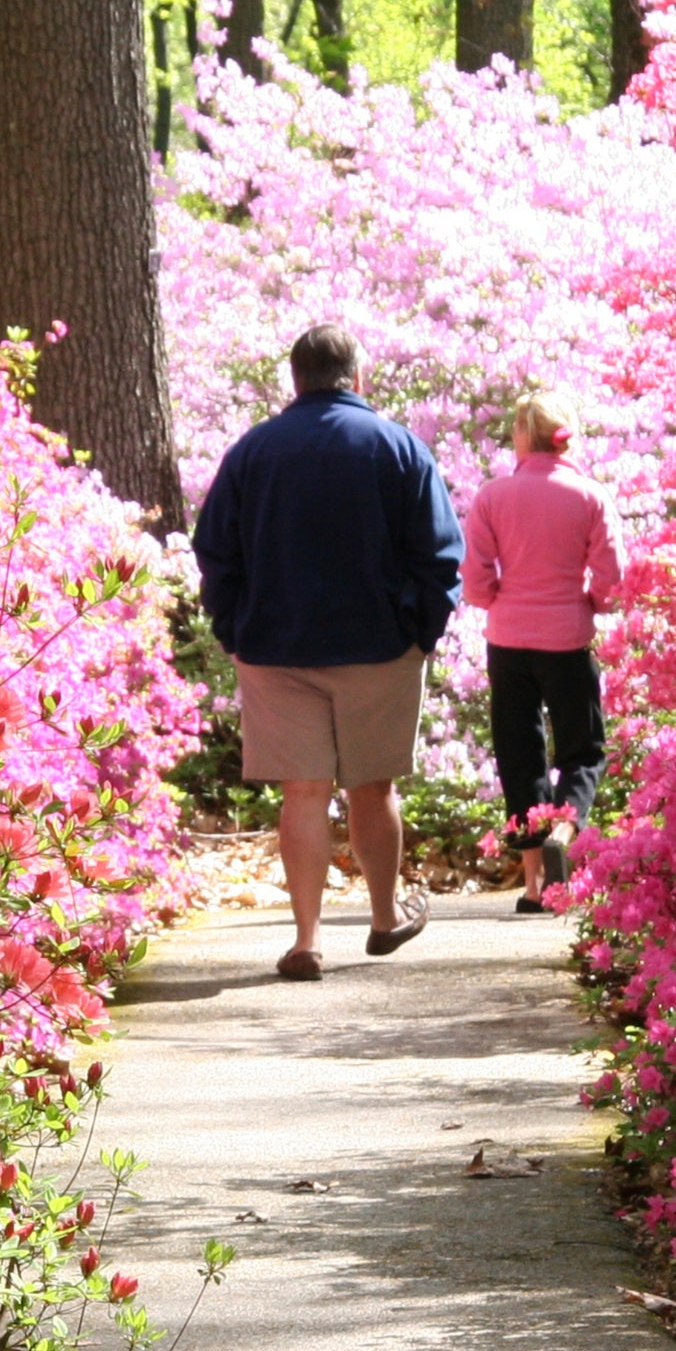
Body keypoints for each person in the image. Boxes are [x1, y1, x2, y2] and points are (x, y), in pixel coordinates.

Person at [194, 324, 466, 981]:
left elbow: (215, 549)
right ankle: (382, 917)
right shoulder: (398, 447)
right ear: (358, 375)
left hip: (274, 647)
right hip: (378, 645)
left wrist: (233, 627)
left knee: (303, 793)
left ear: (296, 379)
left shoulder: (253, 451)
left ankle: (306, 940)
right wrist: (419, 633)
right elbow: (439, 553)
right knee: (373, 788)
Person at [460, 392, 620, 915]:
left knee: (520, 755)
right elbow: (611, 580)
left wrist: (495, 599)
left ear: (521, 437)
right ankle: (568, 824)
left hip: (508, 641)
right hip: (568, 640)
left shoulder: (492, 495)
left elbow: (477, 579)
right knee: (583, 751)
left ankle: (534, 887)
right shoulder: (589, 496)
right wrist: (591, 604)